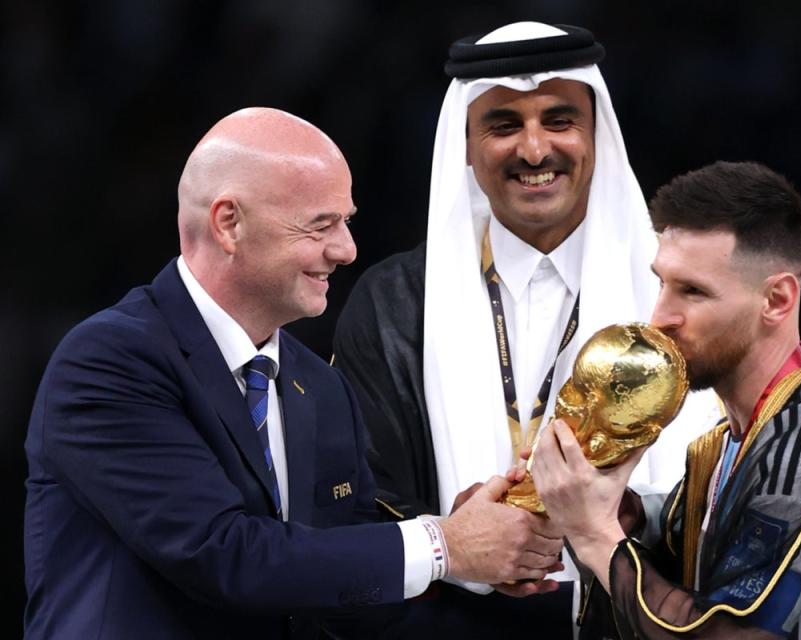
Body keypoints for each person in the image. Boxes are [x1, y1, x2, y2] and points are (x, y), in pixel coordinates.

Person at [22, 107, 564, 640]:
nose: (346, 249)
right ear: (229, 223)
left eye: (346, 221)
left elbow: (346, 596)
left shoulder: (320, 386)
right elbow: (223, 556)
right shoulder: (110, 361)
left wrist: (479, 558)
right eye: (320, 224)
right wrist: (445, 544)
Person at [332, 22, 717, 637]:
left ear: (598, 136)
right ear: (464, 142)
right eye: (504, 125)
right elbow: (350, 491)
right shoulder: (393, 301)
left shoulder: (676, 294)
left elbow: (731, 479)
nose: (534, 150)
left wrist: (632, 515)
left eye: (560, 120)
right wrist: (448, 536)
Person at [530, 161, 801, 638]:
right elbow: (689, 559)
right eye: (662, 282)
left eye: (693, 291)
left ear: (776, 300)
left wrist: (594, 534)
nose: (660, 317)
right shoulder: (735, 434)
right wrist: (619, 513)